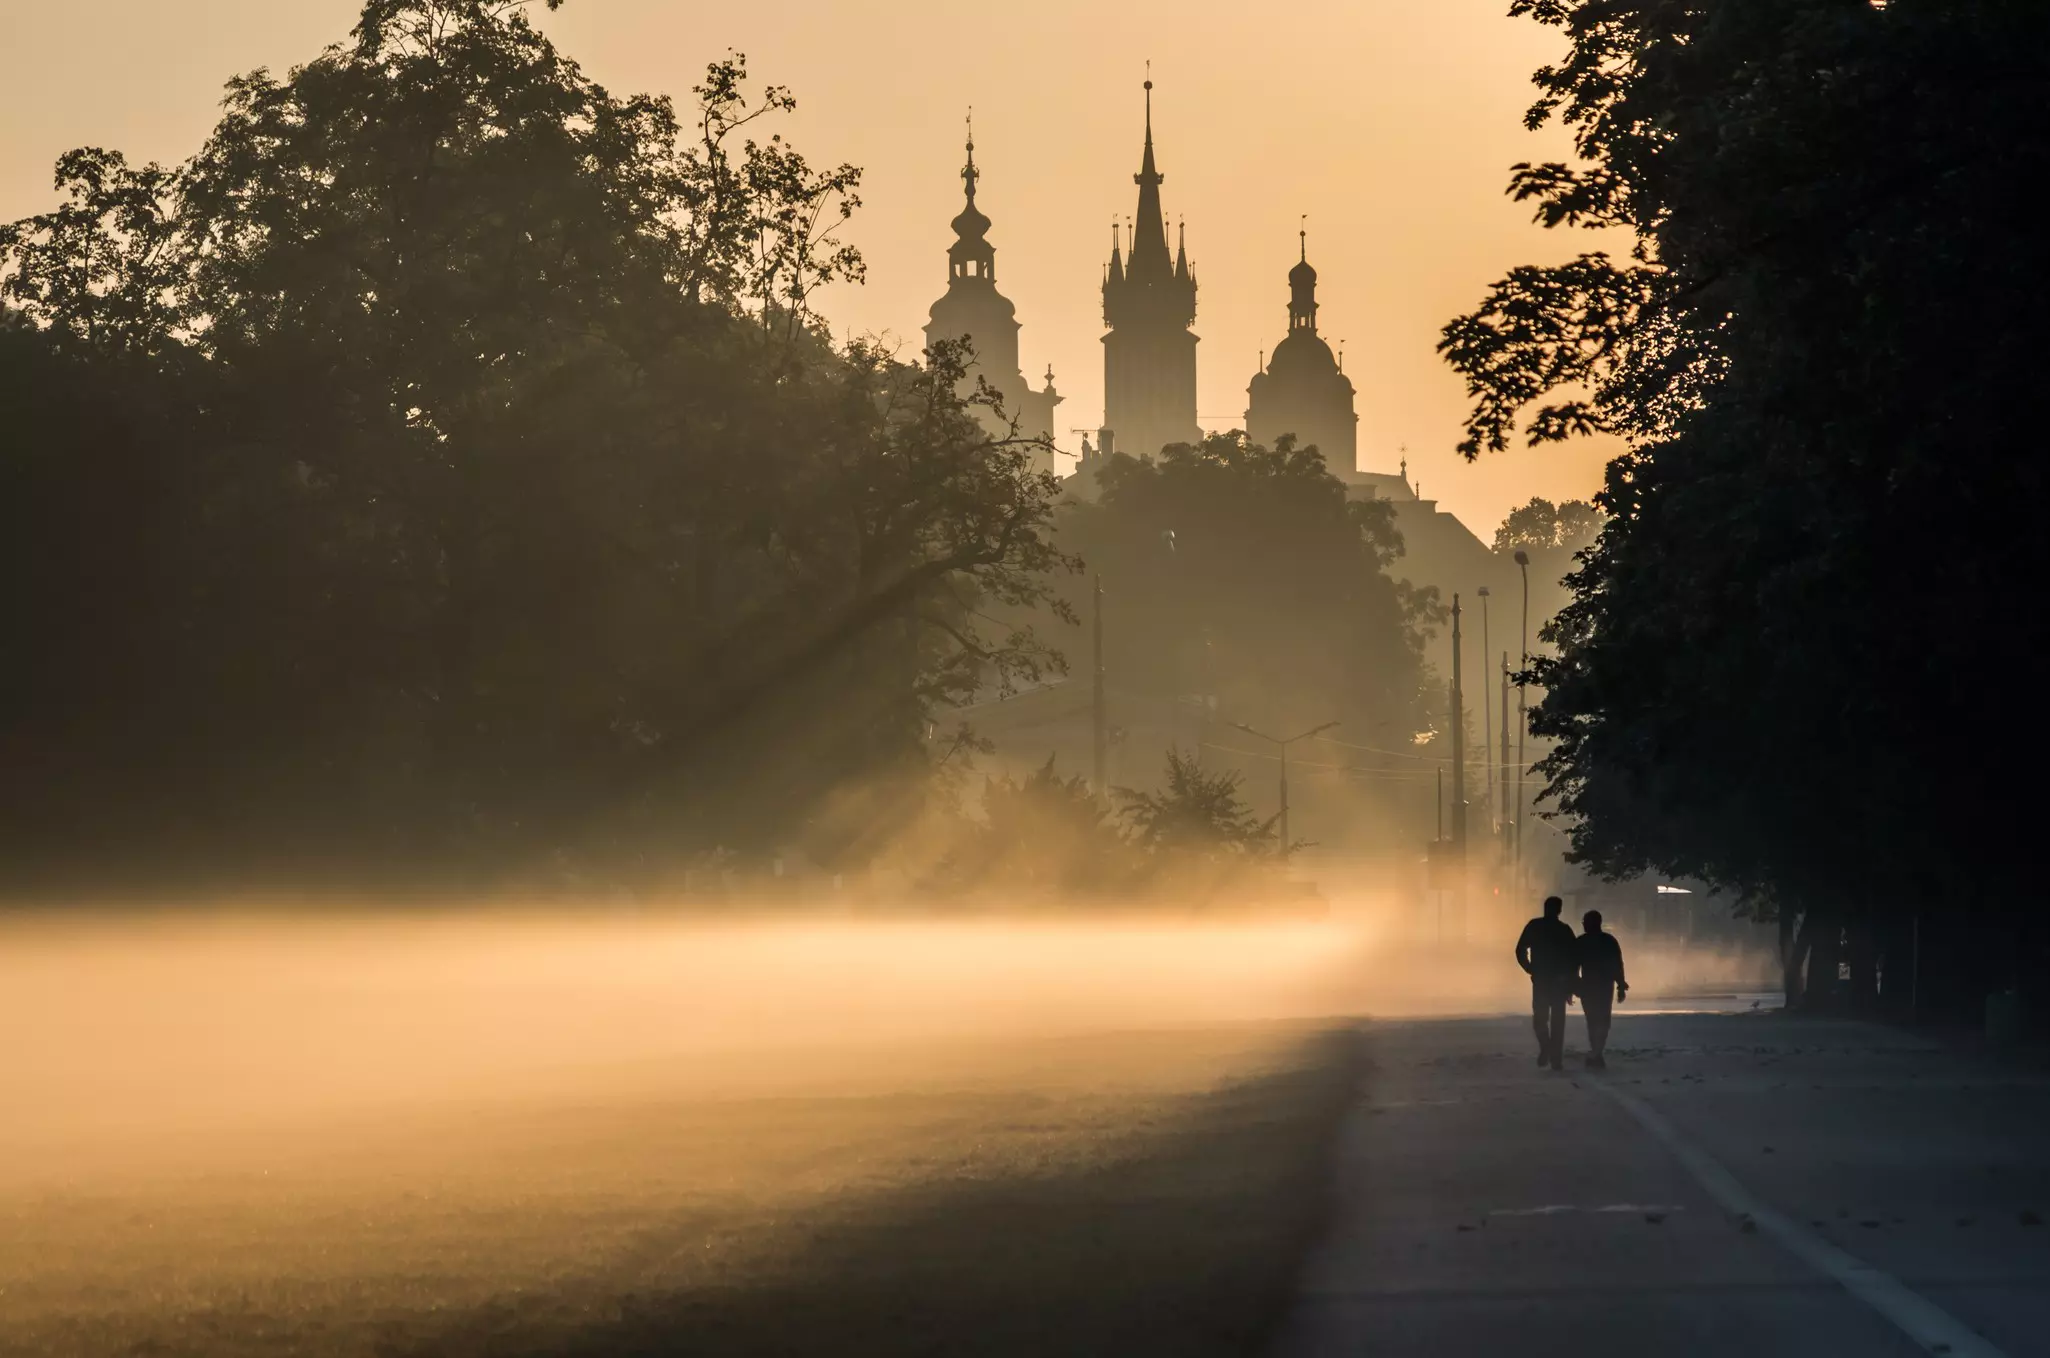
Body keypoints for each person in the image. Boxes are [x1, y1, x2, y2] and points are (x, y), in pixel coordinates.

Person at [1515, 896, 1578, 1070]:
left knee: (1540, 1019)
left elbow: (1520, 950)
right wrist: (1571, 983)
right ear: (1559, 910)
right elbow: (1574, 958)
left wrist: (1530, 968)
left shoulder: (1534, 926)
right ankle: (1555, 1058)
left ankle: (1546, 1046)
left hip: (1541, 980)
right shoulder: (1564, 930)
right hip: (1559, 981)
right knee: (1558, 1021)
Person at [1575, 909, 1628, 1069]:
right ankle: (1597, 1051)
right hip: (1605, 986)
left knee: (1592, 1020)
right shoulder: (1609, 941)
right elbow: (1617, 964)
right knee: (1603, 1020)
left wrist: (1572, 986)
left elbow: (1573, 967)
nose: (1583, 925)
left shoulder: (1581, 941)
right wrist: (1620, 984)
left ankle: (1596, 1051)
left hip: (1588, 986)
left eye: (1585, 922)